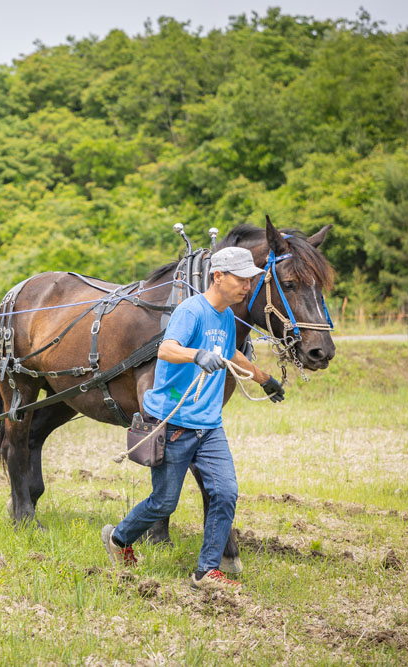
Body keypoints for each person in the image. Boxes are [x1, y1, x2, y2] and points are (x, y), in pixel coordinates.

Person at [100, 246, 285, 592]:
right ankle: (119, 538)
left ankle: (206, 571)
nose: (248, 286)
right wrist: (197, 355)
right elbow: (166, 349)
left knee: (225, 492)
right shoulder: (191, 311)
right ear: (219, 276)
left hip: (208, 424)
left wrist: (264, 379)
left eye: (250, 280)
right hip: (173, 422)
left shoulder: (227, 316)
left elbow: (229, 353)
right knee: (164, 502)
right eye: (242, 279)